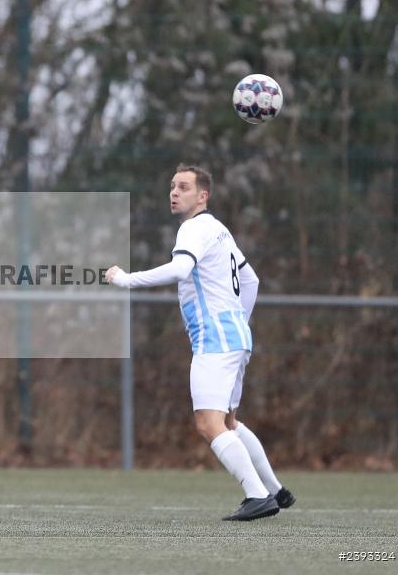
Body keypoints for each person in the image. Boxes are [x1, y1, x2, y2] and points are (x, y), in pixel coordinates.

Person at [105, 164, 295, 521]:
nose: (174, 193)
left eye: (184, 187)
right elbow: (251, 281)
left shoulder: (193, 229)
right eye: (173, 186)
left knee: (209, 424)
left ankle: (257, 495)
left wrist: (125, 279)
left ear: (203, 196)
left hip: (216, 338)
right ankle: (275, 489)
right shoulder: (218, 230)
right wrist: (238, 320)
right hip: (236, 336)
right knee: (230, 422)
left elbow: (179, 270)